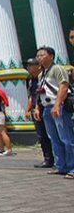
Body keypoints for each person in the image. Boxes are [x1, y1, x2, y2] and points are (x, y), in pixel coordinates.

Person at [34, 46, 74, 179]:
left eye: (42, 55)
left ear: (51, 56)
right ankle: (61, 165)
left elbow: (63, 86)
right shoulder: (41, 74)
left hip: (58, 106)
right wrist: (38, 107)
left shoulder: (57, 69)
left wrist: (57, 105)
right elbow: (41, 92)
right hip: (46, 107)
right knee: (54, 138)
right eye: (38, 56)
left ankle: (72, 167)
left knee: (66, 138)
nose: (39, 58)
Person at [25, 58, 54, 168]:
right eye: (28, 65)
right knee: (41, 135)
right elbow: (31, 96)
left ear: (38, 66)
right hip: (36, 109)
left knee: (51, 134)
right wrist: (28, 109)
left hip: (45, 106)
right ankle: (48, 158)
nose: (28, 68)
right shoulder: (31, 79)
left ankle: (55, 158)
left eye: (31, 65)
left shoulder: (44, 77)